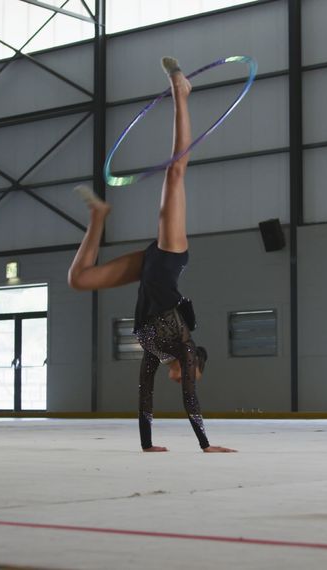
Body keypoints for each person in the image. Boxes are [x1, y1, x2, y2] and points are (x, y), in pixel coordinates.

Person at [67, 57, 236, 454]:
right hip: (171, 258)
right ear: (195, 367)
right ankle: (182, 93)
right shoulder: (185, 348)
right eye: (188, 376)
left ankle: (98, 216)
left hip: (149, 270)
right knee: (174, 174)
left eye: (181, 378)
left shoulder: (156, 352)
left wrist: (147, 445)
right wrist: (205, 445)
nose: (180, 380)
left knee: (79, 280)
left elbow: (145, 393)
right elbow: (190, 401)